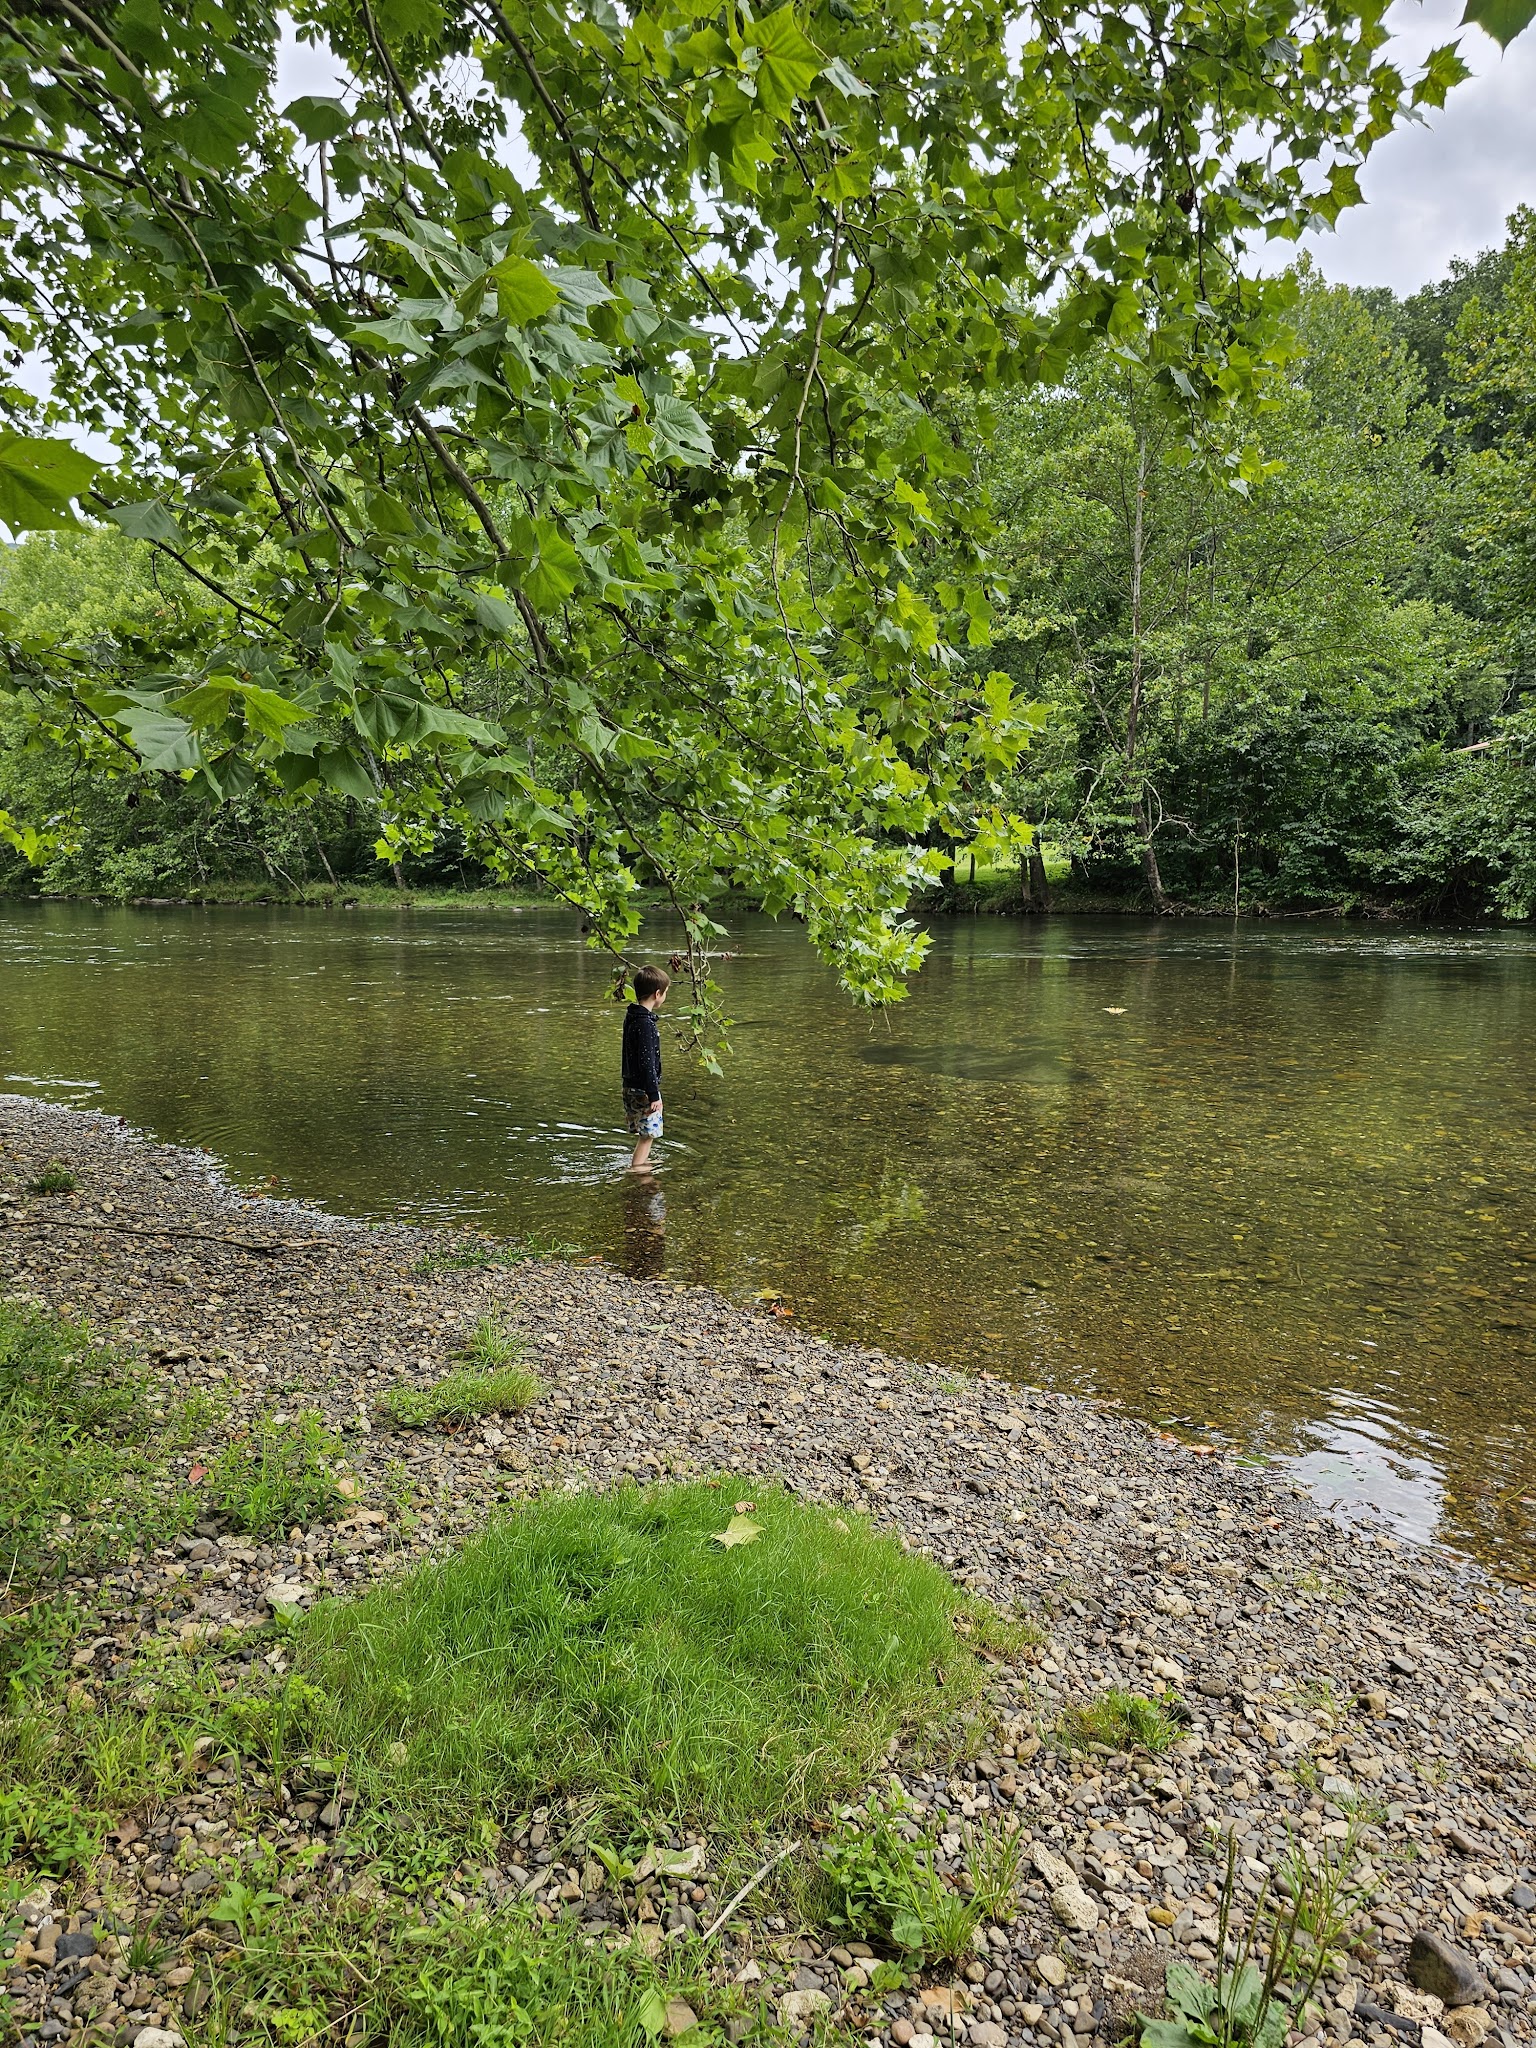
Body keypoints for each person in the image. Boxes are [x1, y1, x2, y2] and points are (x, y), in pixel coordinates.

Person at [621, 963, 669, 1171]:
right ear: (657, 994)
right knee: (648, 1136)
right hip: (643, 1089)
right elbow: (647, 1062)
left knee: (644, 1134)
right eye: (665, 992)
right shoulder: (645, 1024)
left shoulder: (632, 1017)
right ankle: (639, 1173)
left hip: (629, 1086)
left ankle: (640, 1164)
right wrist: (654, 1094)